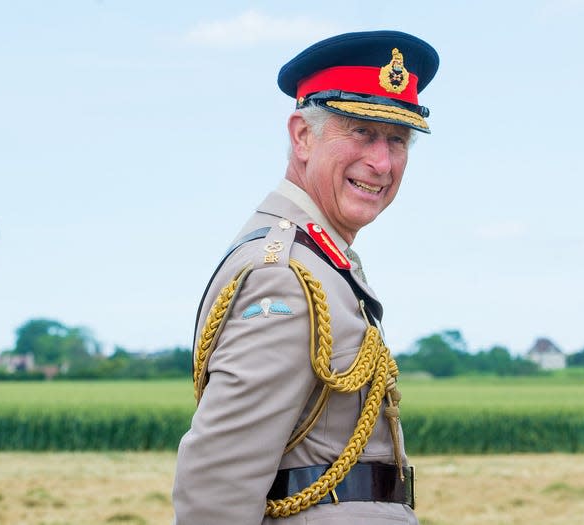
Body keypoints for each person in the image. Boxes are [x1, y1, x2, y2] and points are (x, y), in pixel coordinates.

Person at [172, 30, 439, 525]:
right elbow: (218, 479)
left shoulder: (321, 259)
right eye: (360, 131)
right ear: (302, 136)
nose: (381, 162)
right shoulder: (285, 276)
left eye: (397, 140)